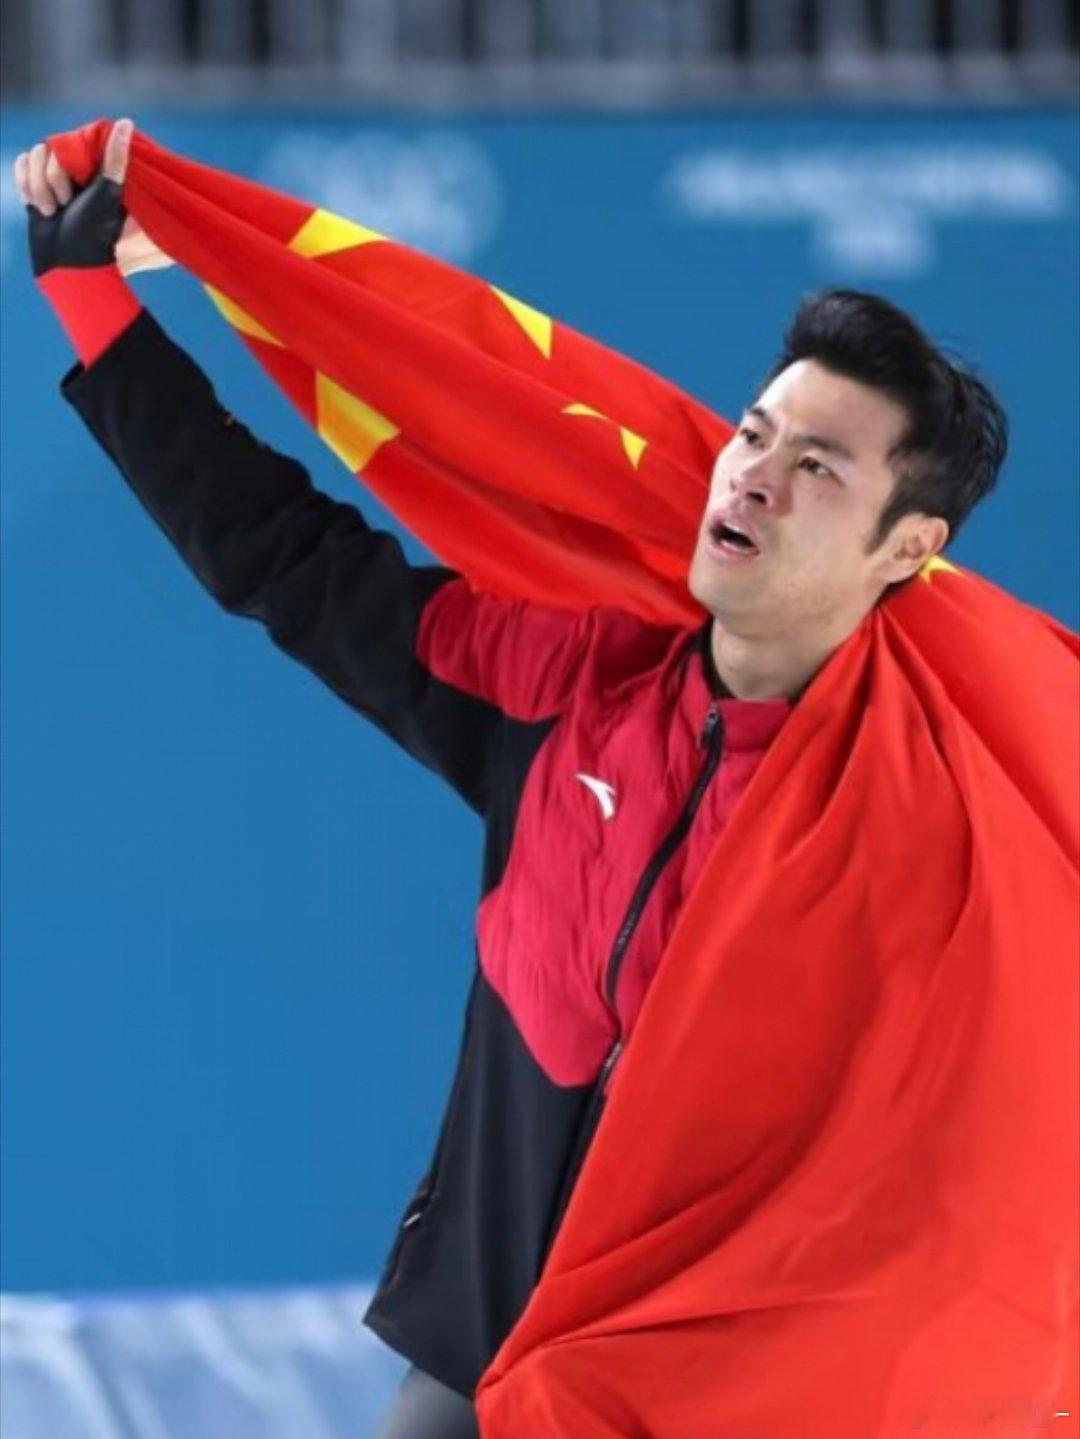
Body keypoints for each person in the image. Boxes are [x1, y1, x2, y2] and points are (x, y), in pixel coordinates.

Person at [14, 121, 1007, 1439]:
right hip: (481, 1367)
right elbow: (285, 559)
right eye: (755, 434)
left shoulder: (923, 836)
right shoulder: (569, 688)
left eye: (816, 468)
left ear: (909, 546)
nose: (757, 479)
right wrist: (94, 309)